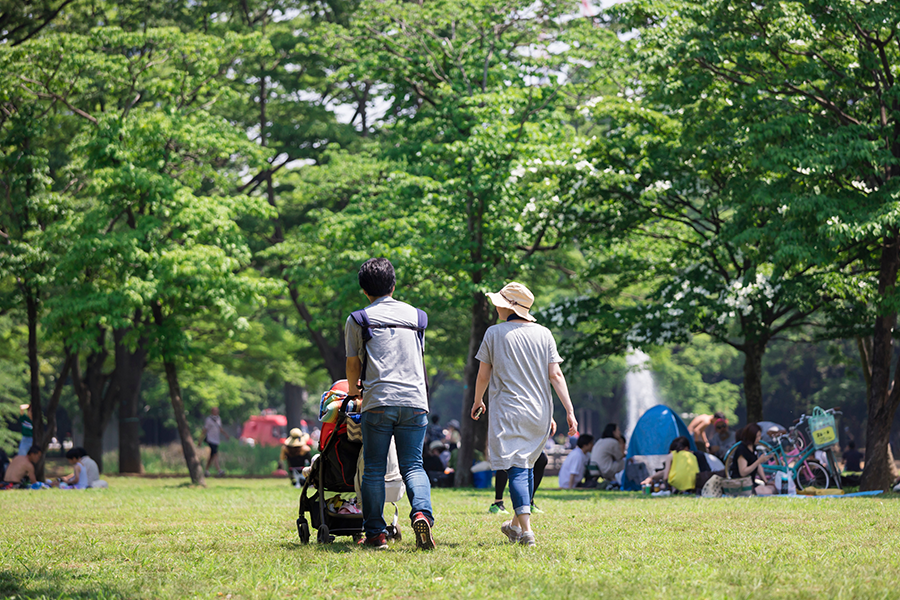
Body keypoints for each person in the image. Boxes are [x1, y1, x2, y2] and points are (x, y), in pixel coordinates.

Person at [471, 282, 578, 547]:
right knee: (527, 464)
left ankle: (526, 531)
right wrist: (569, 410)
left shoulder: (494, 333)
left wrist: (478, 400)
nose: (495, 305)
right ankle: (514, 526)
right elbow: (555, 374)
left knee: (517, 469)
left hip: (509, 411)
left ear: (507, 306)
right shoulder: (544, 334)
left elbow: (484, 373)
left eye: (499, 302)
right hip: (541, 412)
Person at [345, 257, 435, 551]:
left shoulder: (359, 319)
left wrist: (353, 393)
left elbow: (353, 363)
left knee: (373, 467)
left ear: (364, 290)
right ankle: (421, 513)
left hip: (379, 401)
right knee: (413, 465)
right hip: (415, 401)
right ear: (393, 285)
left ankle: (375, 534)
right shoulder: (418, 317)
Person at [729, 424, 775, 495]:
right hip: (741, 483)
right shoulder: (742, 450)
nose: (759, 439)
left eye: (760, 436)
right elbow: (743, 472)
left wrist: (766, 481)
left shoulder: (753, 447)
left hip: (750, 482)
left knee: (773, 488)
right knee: (768, 492)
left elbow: (758, 466)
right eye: (757, 436)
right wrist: (759, 460)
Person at [201, 407, 229, 477]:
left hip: (216, 439)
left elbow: (220, 428)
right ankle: (219, 470)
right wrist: (200, 440)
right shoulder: (208, 420)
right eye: (214, 411)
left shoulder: (218, 419)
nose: (216, 412)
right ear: (211, 411)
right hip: (210, 439)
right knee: (215, 454)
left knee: (212, 456)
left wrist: (225, 434)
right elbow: (205, 429)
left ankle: (206, 470)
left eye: (217, 411)